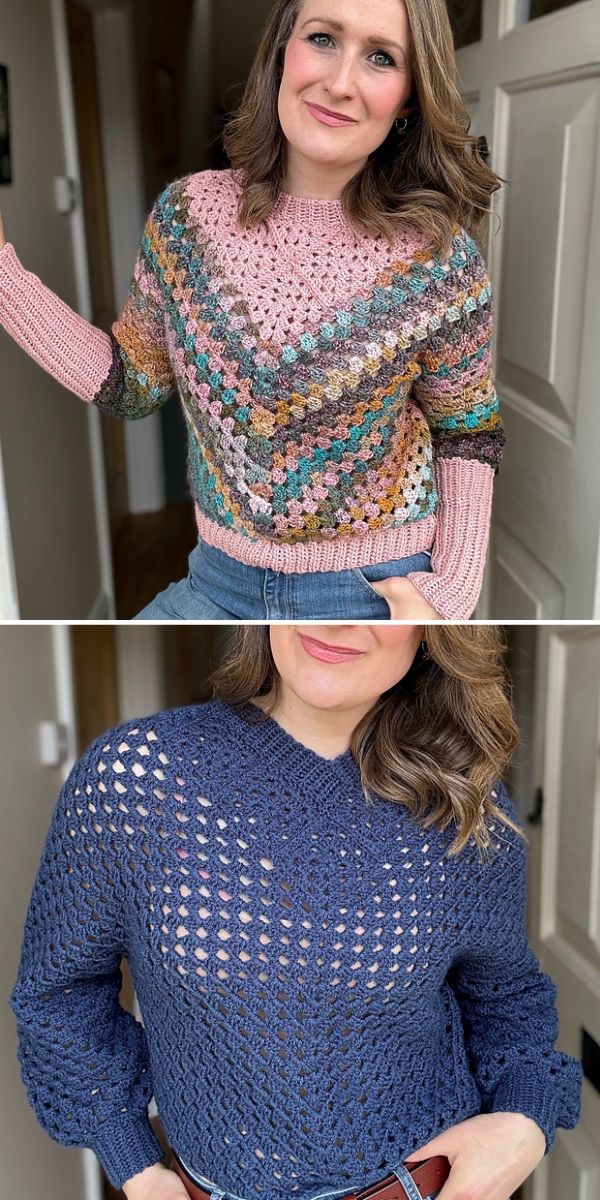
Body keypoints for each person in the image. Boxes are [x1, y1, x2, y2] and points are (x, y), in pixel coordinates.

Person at [9, 624, 583, 1200]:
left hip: (426, 1185)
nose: (338, 619)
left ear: (433, 625)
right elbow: (60, 992)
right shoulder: (140, 778)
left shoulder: (462, 799)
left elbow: (508, 998)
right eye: (314, 582)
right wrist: (132, 1161)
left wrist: (525, 1121)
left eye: (375, 594)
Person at [0, 0, 505, 622]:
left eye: (381, 57)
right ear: (280, 53)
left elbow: (468, 433)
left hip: (374, 594)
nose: (341, 82)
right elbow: (131, 383)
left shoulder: (440, 258)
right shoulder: (188, 218)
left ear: (408, 98)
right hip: (216, 583)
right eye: (322, 38)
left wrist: (450, 594)